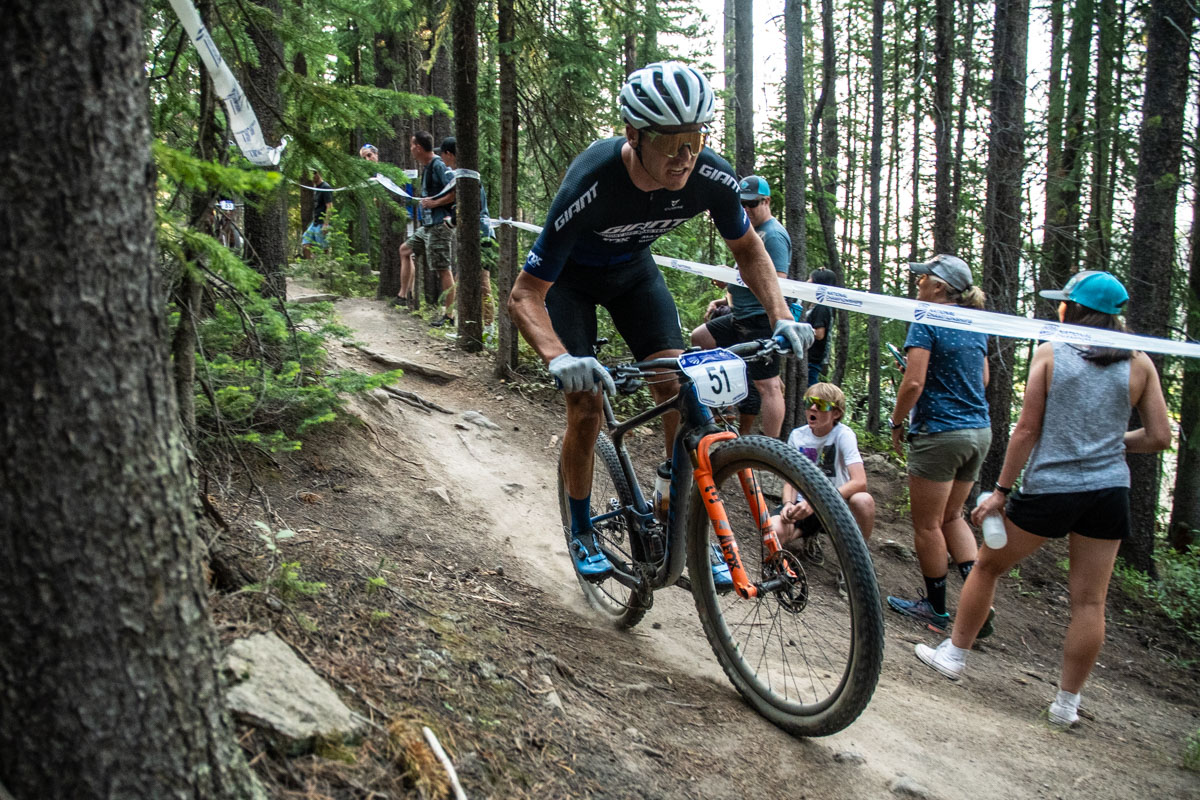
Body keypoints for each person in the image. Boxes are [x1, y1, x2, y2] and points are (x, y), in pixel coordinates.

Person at [506, 62, 814, 583]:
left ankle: (674, 506)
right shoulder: (592, 181)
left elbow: (748, 249)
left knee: (680, 384)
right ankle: (581, 528)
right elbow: (524, 294)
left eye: (694, 138)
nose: (684, 156)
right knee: (586, 409)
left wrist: (782, 316)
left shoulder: (711, 174)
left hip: (633, 277)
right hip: (572, 285)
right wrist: (560, 359)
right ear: (633, 135)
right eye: (670, 143)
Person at [914, 271, 1172, 728]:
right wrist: (1110, 442)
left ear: (1072, 311)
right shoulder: (1140, 363)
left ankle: (954, 655)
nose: (1058, 309)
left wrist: (1001, 492)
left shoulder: (1052, 352)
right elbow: (1157, 437)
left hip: (1052, 488)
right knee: (1090, 602)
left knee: (989, 566)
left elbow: (1027, 430)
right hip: (1109, 491)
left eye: (1063, 304)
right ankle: (1065, 705)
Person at [886, 254, 991, 634]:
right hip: (978, 431)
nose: (918, 284)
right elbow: (981, 380)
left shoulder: (926, 318)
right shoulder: (976, 321)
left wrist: (897, 421)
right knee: (952, 516)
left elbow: (913, 383)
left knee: (928, 525)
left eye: (923, 277)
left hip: (941, 433)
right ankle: (981, 607)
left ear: (940, 288)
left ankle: (935, 608)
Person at [690, 175, 790, 437]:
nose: (746, 209)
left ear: (766, 201)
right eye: (742, 203)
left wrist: (734, 279)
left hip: (760, 319)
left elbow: (776, 283)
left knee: (768, 385)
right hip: (740, 316)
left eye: (753, 203)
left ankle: (773, 449)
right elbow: (747, 276)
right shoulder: (752, 233)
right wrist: (727, 293)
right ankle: (722, 409)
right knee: (700, 338)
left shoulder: (774, 235)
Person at [772, 382, 876, 547]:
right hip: (803, 504)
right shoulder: (797, 436)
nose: (813, 408)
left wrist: (818, 502)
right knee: (773, 532)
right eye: (809, 402)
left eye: (820, 405)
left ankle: (859, 559)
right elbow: (790, 479)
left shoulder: (844, 435)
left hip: (836, 503)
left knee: (863, 500)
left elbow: (859, 481)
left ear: (835, 413)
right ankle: (807, 533)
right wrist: (788, 504)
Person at [439, 136, 498, 327]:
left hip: (483, 235)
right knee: (461, 279)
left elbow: (474, 205)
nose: (441, 158)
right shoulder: (460, 175)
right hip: (473, 235)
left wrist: (454, 220)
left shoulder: (469, 177)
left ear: (449, 154)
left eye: (442, 154)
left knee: (482, 284)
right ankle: (463, 326)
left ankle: (488, 329)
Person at [398, 131, 455, 323]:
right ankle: (402, 296)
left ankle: (449, 315)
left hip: (440, 225)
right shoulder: (428, 166)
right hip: (428, 226)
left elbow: (455, 191)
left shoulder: (439, 165)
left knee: (443, 269)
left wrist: (434, 203)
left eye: (412, 145)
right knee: (405, 250)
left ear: (418, 148)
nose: (411, 149)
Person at [803, 269, 837, 386]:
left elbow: (819, 334)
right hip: (810, 359)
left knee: (810, 393)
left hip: (811, 360)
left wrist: (800, 330)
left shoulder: (821, 307)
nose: (807, 281)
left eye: (810, 279)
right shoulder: (819, 306)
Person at [300, 168, 333, 259]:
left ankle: (323, 269)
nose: (313, 176)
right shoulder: (316, 188)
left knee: (323, 248)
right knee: (306, 243)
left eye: (314, 173)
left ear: (319, 173)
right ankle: (311, 266)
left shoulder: (325, 187)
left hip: (323, 223)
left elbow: (329, 206)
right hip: (315, 222)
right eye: (311, 174)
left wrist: (326, 224)